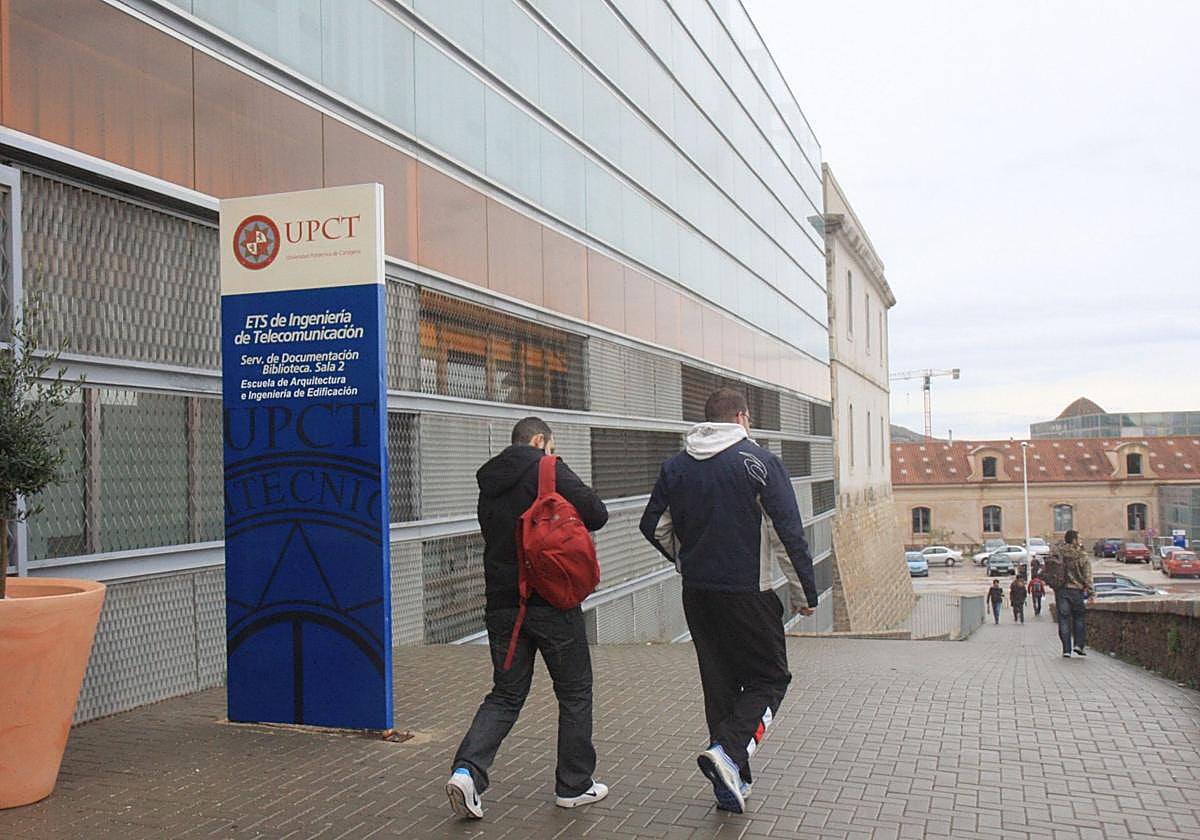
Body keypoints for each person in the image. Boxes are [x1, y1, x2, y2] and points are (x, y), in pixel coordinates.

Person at [639, 388, 818, 814]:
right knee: (771, 679)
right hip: (747, 594)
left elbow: (654, 526)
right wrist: (804, 593)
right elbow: (787, 534)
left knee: (720, 686)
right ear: (742, 418)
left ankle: (730, 782)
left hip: (698, 595)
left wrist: (687, 561)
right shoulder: (759, 463)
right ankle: (730, 751)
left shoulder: (676, 466)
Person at [445, 417, 610, 819]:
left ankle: (468, 772)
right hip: (551, 602)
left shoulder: (489, 481)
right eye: (549, 446)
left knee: (505, 695)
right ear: (539, 442)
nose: (550, 454)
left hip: (504, 607)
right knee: (574, 693)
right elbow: (597, 513)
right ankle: (574, 785)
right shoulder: (548, 468)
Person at [1055, 529, 1093, 658]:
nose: (1080, 541)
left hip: (1062, 590)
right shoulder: (1081, 555)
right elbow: (1087, 575)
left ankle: (1066, 650)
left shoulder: (1059, 552)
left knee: (1064, 620)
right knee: (1079, 618)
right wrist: (1091, 592)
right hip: (1077, 590)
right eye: (1079, 538)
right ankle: (1078, 645)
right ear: (1074, 540)